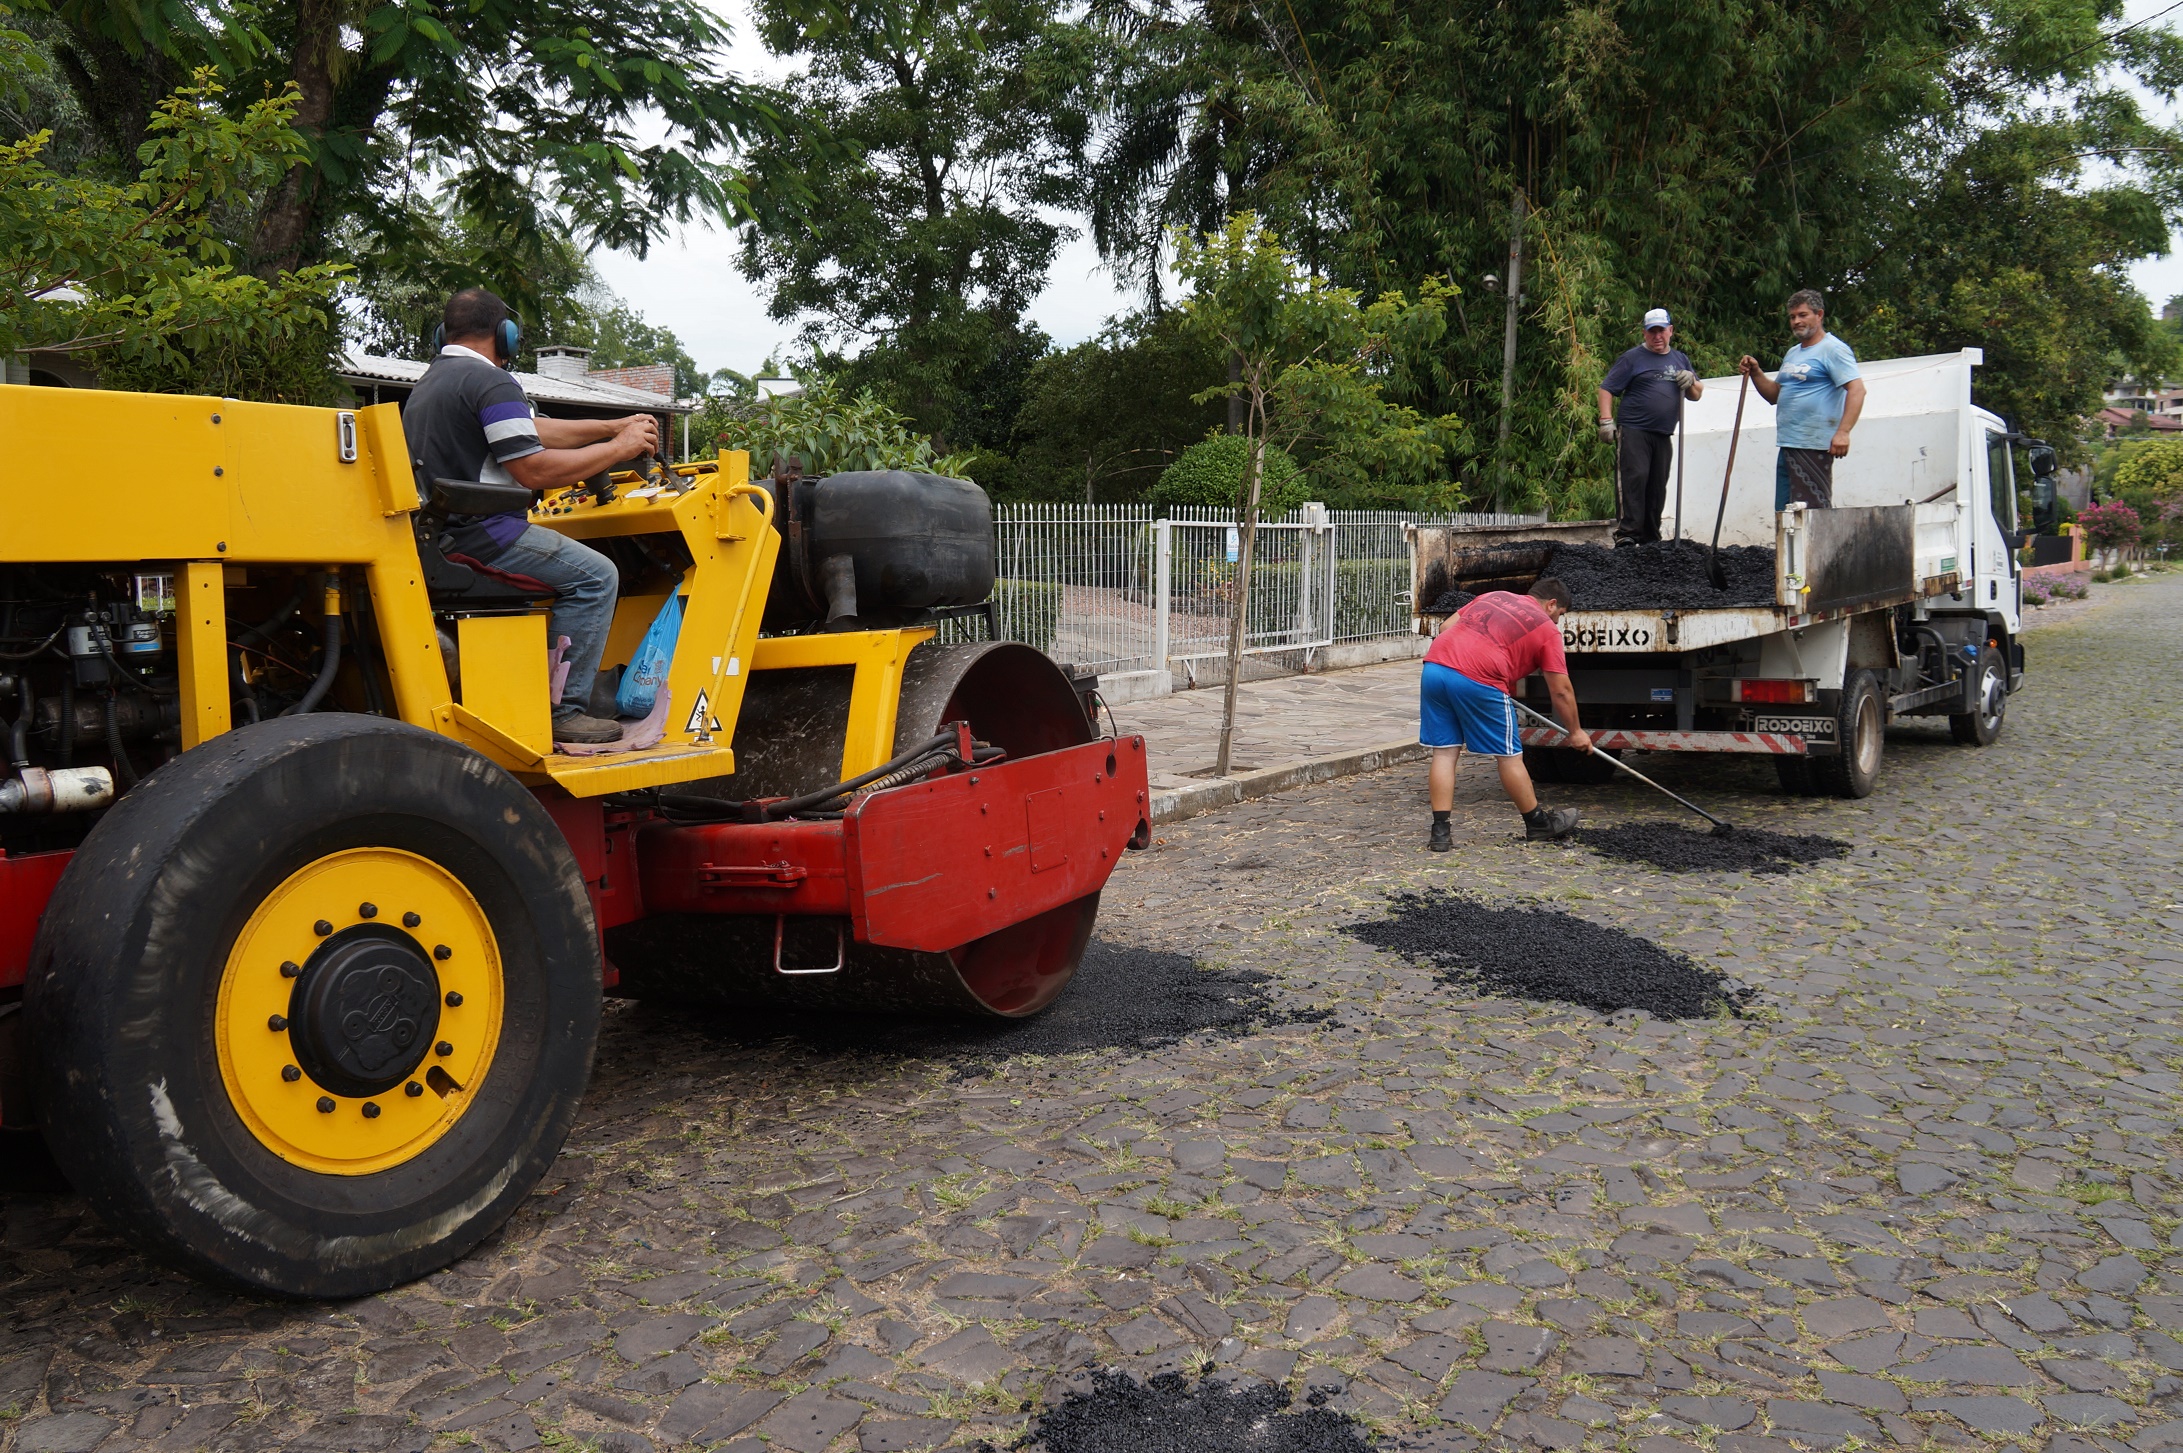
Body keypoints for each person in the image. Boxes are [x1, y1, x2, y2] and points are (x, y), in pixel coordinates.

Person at [404, 287, 661, 744]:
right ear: (505, 336)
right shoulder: (491, 382)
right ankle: (563, 711)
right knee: (597, 577)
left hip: (442, 534)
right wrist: (618, 450)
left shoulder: (433, 383)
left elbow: (531, 429)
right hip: (484, 534)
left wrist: (612, 427)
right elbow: (532, 467)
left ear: (445, 333)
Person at [1420, 579, 1591, 850]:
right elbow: (1561, 691)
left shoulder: (1495, 595)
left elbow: (1445, 627)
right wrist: (1576, 732)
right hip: (1480, 678)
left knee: (1444, 752)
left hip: (1436, 667)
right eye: (1561, 615)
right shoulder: (1547, 629)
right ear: (1552, 605)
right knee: (1509, 756)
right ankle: (1537, 824)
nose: (1558, 621)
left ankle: (1440, 833)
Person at [1738, 289, 1865, 510]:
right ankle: (1786, 548)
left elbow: (1857, 390)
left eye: (1802, 315)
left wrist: (1843, 432)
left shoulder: (1833, 349)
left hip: (1814, 445)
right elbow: (1775, 395)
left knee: (1810, 514)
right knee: (1785, 513)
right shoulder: (1793, 353)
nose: (1796, 321)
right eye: (1792, 316)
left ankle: (1815, 547)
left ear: (1819, 315)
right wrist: (1756, 372)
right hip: (1788, 443)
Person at [1598, 307, 1703, 547]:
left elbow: (1696, 394)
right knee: (1637, 477)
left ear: (1671, 331)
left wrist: (1690, 381)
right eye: (1652, 331)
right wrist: (1606, 421)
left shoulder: (1680, 359)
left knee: (1658, 483)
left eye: (1661, 331)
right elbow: (1606, 388)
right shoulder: (1632, 358)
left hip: (1663, 433)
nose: (1657, 336)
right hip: (1635, 429)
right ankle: (1628, 533)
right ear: (1644, 333)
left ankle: (1650, 536)